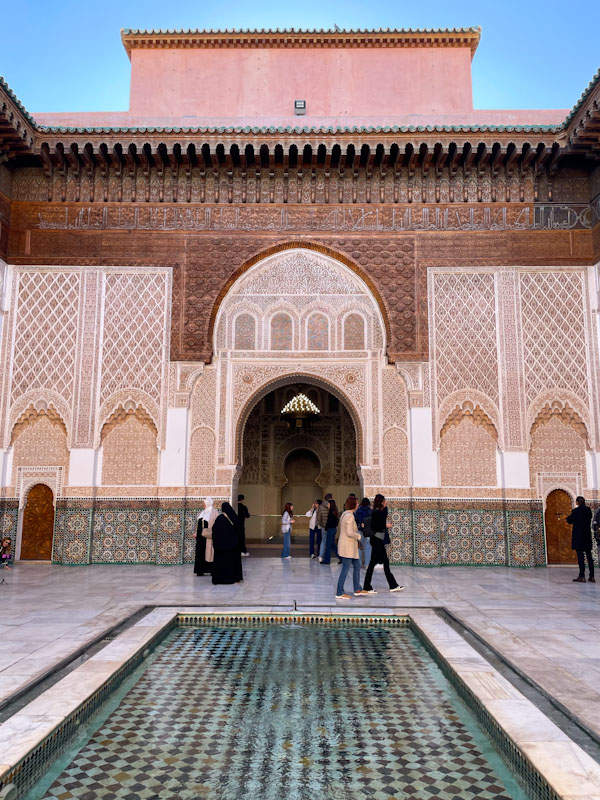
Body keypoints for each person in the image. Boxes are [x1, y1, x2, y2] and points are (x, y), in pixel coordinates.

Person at [363, 494, 403, 594]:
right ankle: (369, 586)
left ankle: (391, 585)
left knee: (381, 563)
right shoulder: (377, 513)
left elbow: (384, 514)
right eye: (384, 501)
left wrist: (384, 507)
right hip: (377, 541)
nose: (386, 502)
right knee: (380, 563)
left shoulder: (378, 511)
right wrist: (386, 526)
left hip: (377, 540)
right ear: (381, 502)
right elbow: (377, 526)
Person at [335, 496, 367, 599]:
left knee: (357, 565)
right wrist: (358, 536)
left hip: (349, 547)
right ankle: (339, 592)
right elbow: (349, 532)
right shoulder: (350, 516)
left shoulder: (345, 514)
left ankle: (357, 589)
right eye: (357, 503)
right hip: (347, 547)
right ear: (353, 504)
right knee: (345, 569)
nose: (358, 505)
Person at [211, 502, 243, 585]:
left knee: (221, 563)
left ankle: (220, 579)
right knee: (232, 563)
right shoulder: (234, 517)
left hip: (220, 548)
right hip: (233, 547)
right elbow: (239, 530)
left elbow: (214, 532)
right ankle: (234, 578)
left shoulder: (219, 519)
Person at [567, 496, 594, 583]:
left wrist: (568, 517)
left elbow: (570, 520)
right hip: (587, 536)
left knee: (580, 556)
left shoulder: (576, 511)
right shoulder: (588, 510)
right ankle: (592, 576)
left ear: (577, 502)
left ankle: (582, 576)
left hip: (578, 537)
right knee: (589, 556)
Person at [194, 497, 217, 576]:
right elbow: (199, 524)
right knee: (200, 553)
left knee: (209, 552)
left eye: (204, 503)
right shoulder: (203, 512)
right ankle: (200, 570)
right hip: (200, 537)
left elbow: (216, 524)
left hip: (208, 537)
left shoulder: (214, 512)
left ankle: (210, 570)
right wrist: (196, 532)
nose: (203, 505)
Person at [320, 498, 340, 565]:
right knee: (333, 545)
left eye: (328, 504)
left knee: (328, 545)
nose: (327, 505)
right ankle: (341, 558)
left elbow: (329, 522)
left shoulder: (331, 513)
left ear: (331, 505)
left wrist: (326, 528)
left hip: (330, 530)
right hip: (334, 529)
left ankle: (327, 560)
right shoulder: (335, 512)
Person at [355, 497, 372, 569]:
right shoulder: (371, 511)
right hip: (368, 531)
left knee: (359, 547)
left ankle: (358, 563)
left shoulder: (358, 511)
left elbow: (356, 520)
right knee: (368, 547)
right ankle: (367, 564)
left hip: (360, 530)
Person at [317, 492, 332, 560]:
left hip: (324, 526)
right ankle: (327, 556)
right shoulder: (332, 505)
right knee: (330, 542)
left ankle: (320, 556)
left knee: (323, 541)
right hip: (331, 526)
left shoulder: (321, 506)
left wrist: (322, 524)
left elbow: (319, 517)